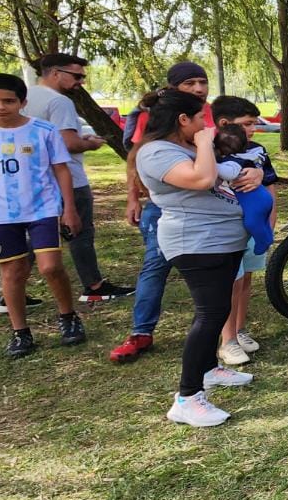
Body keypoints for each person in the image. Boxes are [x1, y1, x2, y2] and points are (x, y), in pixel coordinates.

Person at [134, 89, 259, 427]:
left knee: (215, 310)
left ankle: (208, 370)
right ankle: (187, 398)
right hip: (196, 242)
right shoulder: (156, 152)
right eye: (201, 118)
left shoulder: (187, 147)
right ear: (183, 119)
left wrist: (254, 174)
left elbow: (227, 171)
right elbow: (203, 178)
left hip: (222, 241)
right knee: (210, 313)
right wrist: (204, 142)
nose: (206, 124)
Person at [112, 62, 249, 364]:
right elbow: (139, 158)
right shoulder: (160, 121)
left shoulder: (203, 114)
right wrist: (133, 198)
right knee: (156, 267)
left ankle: (224, 344)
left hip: (209, 218)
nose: (199, 88)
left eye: (203, 81)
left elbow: (219, 158)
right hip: (176, 213)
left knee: (215, 301)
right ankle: (141, 331)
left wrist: (249, 172)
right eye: (190, 83)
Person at [0, 74, 83, 358]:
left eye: (8, 101)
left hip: (42, 208)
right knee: (12, 272)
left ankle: (68, 316)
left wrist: (69, 208)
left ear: (22, 102)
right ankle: (20, 332)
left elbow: (61, 169)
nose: (0, 107)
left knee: (50, 267)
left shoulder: (43, 130)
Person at [24, 53, 135, 303]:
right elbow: (68, 143)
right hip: (69, 179)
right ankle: (94, 286)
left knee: (36, 234)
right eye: (76, 76)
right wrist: (90, 144)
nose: (81, 82)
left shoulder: (24, 97)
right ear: (55, 73)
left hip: (35, 179)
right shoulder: (59, 101)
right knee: (80, 232)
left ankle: (12, 289)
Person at [210, 96, 278, 367]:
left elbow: (270, 183)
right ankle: (227, 342)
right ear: (224, 123)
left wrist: (271, 219)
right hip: (227, 226)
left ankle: (239, 330)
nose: (253, 129)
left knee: (247, 276)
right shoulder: (213, 151)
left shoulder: (258, 150)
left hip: (256, 223)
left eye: (254, 123)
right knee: (232, 281)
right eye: (247, 124)